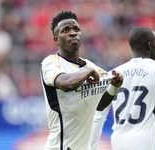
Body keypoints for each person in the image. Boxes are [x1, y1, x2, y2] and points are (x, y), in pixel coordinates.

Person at [90, 26, 155, 150]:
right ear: (150, 45)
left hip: (117, 142)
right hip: (146, 142)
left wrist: (91, 148)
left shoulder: (113, 73)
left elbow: (98, 116)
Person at [40, 11, 123, 150]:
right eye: (66, 30)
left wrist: (114, 87)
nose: (73, 33)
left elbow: (99, 105)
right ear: (56, 39)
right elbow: (67, 83)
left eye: (76, 29)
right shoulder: (50, 63)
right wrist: (87, 71)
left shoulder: (91, 66)